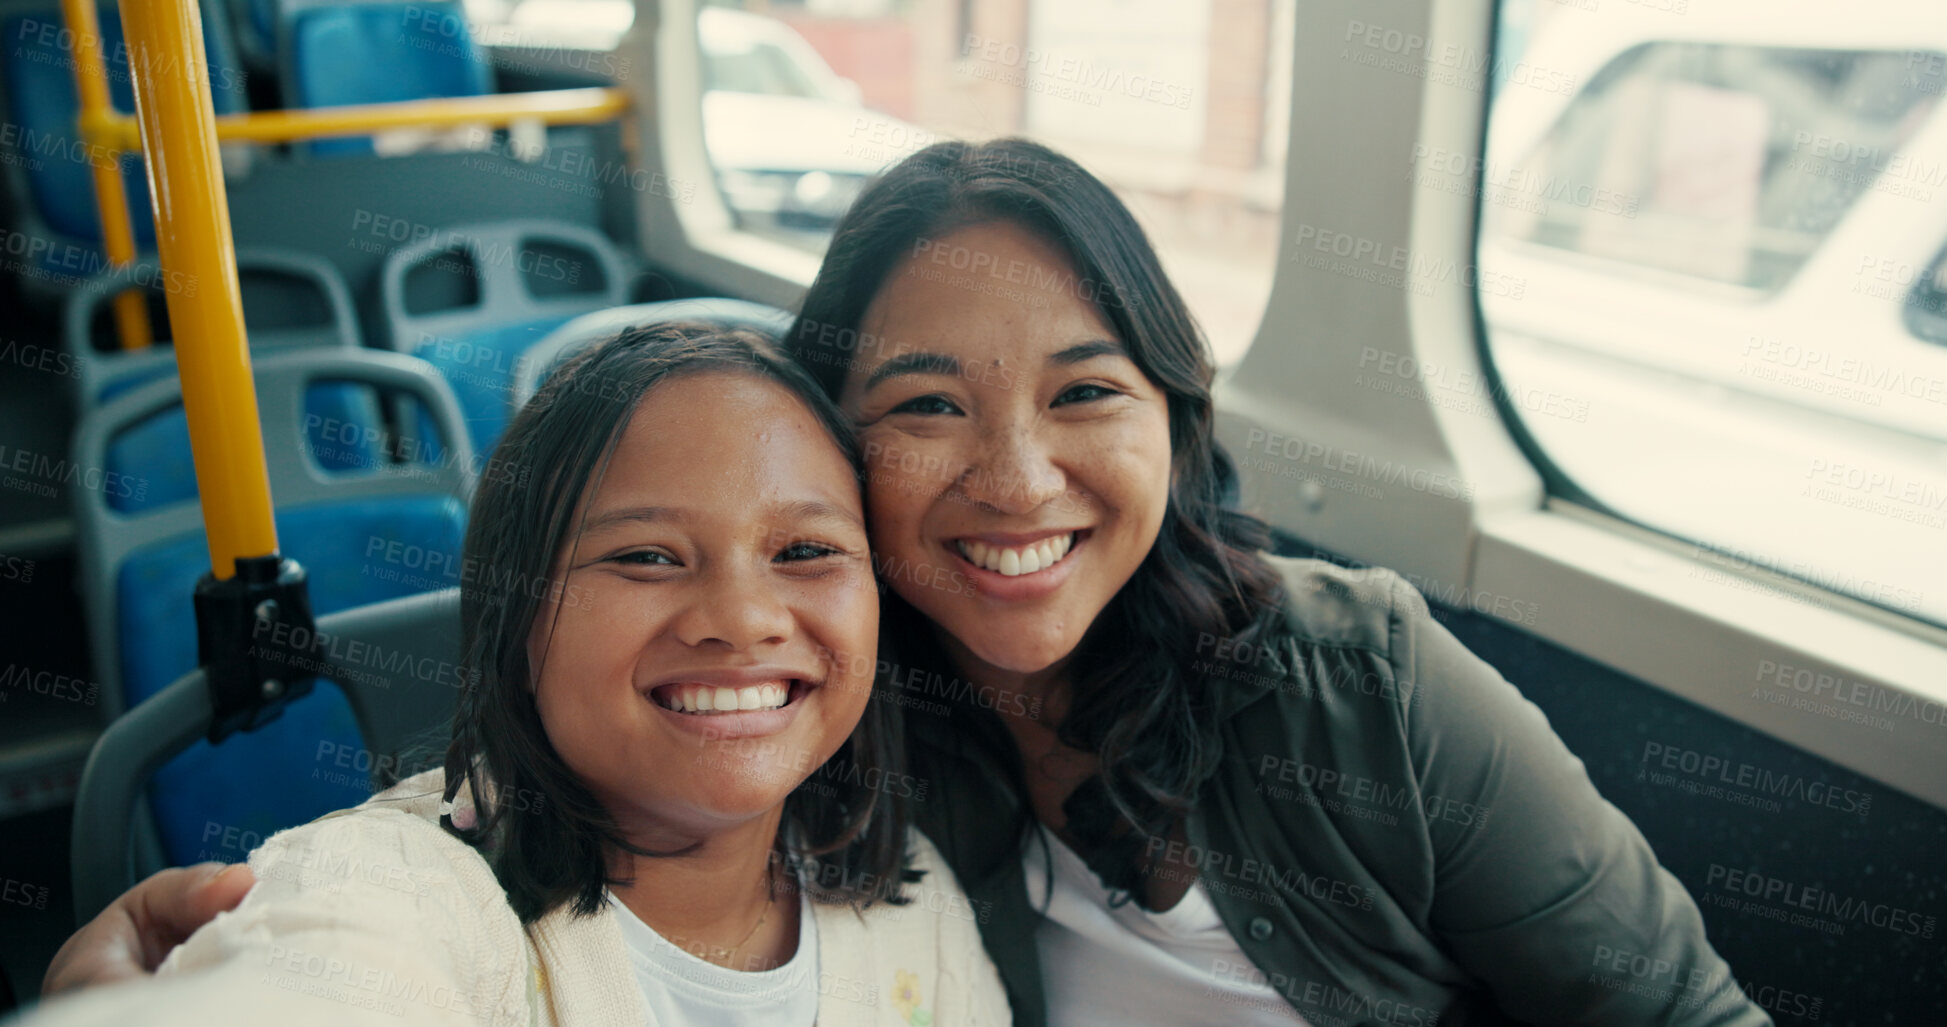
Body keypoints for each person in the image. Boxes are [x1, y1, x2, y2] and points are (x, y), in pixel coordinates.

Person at [780, 137, 1769, 1026]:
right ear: (827, 443)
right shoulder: (807, 718)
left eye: (1085, 391)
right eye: (928, 405)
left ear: (1174, 415)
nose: (1018, 481)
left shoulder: (1370, 681)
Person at [20, 324, 1008, 1027]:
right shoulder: (412, 892)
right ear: (518, 619)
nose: (744, 618)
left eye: (804, 550)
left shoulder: (910, 908)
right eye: (646, 557)